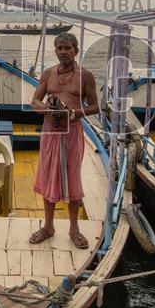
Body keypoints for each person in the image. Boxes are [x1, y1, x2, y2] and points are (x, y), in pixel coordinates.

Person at [29, 32, 99, 250]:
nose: (63, 52)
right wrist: (46, 108)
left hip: (72, 133)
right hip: (50, 132)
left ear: (76, 51)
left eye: (68, 48)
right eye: (59, 48)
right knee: (49, 176)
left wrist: (75, 112)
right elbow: (34, 100)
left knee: (72, 178)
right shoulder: (48, 74)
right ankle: (48, 227)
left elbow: (95, 106)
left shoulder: (85, 76)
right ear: (56, 51)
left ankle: (74, 229)